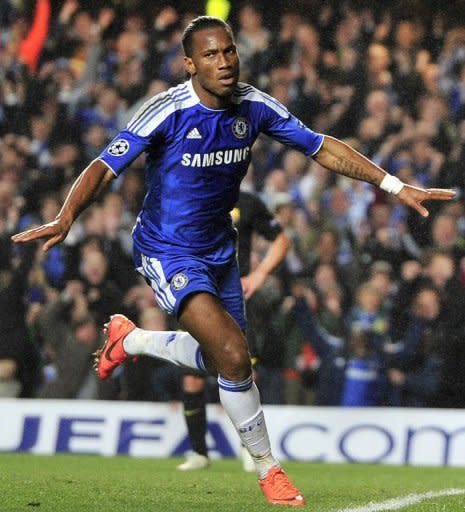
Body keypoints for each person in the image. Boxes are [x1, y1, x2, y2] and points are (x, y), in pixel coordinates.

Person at [12, 15, 455, 507]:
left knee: (224, 361)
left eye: (228, 51)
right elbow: (104, 165)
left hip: (222, 249)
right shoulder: (165, 110)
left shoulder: (254, 105)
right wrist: (67, 215)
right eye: (210, 54)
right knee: (232, 354)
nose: (223, 62)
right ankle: (269, 469)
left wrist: (393, 185)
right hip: (167, 248)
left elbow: (319, 147)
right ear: (189, 64)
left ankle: (132, 338)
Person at [177, 189, 290, 472]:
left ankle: (250, 451)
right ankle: (198, 453)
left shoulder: (248, 202)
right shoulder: (190, 193)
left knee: (243, 370)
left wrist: (259, 274)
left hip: (233, 296)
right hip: (196, 294)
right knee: (192, 378)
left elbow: (281, 240)